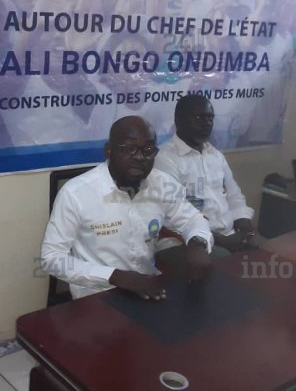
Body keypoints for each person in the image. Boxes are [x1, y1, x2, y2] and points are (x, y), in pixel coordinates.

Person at [41, 116, 213, 300]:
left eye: (148, 150)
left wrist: (198, 243)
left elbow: (192, 219)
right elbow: (51, 258)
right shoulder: (76, 193)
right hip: (97, 295)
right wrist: (115, 276)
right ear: (109, 151)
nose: (139, 157)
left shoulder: (162, 184)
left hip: (149, 288)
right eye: (129, 149)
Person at [155, 95, 256, 253]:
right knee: (230, 262)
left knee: (270, 253)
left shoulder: (215, 155)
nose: (206, 123)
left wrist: (245, 228)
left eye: (210, 118)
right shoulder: (165, 158)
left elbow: (234, 196)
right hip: (189, 240)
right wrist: (221, 241)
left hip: (229, 234)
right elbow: (172, 215)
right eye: (198, 118)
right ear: (178, 121)